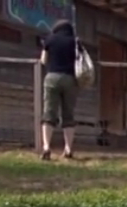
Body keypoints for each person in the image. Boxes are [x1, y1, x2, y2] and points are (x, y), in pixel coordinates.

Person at [39, 19, 82, 160]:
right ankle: (68, 149)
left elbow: (44, 60)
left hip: (52, 77)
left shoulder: (50, 39)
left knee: (49, 113)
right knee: (68, 115)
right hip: (70, 79)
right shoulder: (74, 42)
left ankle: (46, 147)